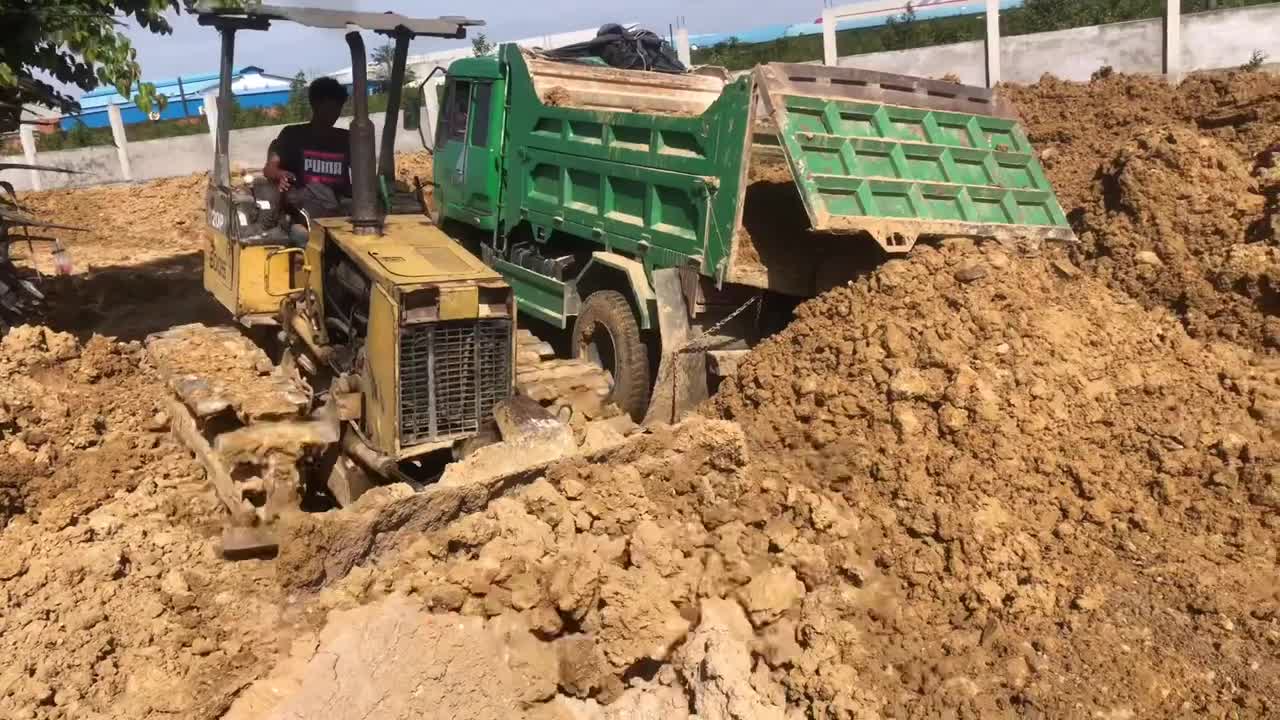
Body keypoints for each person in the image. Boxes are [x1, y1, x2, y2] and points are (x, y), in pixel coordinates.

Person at [263, 77, 352, 199]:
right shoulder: (291, 135)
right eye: (329, 107)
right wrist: (280, 174)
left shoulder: (346, 139)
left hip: (340, 211)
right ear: (315, 104)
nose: (334, 113)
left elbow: (363, 176)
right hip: (302, 208)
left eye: (338, 108)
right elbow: (269, 169)